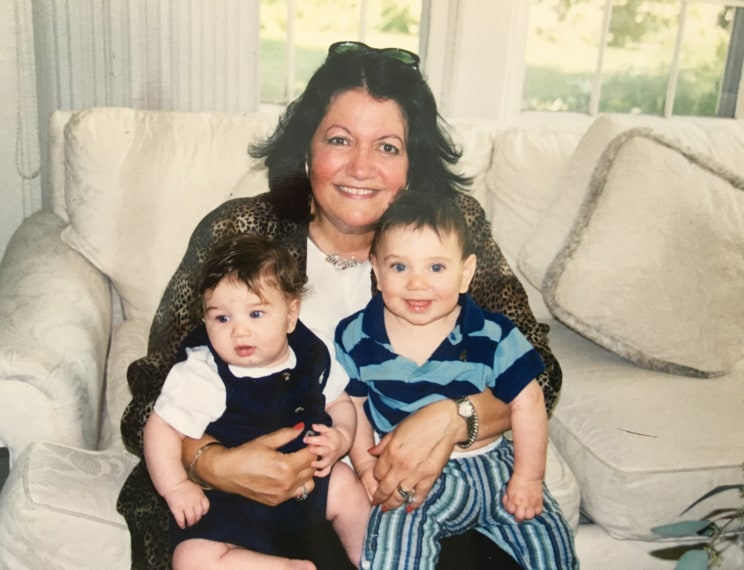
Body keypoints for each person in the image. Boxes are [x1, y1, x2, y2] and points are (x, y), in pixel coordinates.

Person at [118, 40, 563, 569]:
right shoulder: (238, 232)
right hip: (236, 505)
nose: (361, 167)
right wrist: (213, 464)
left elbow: (542, 371)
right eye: (339, 139)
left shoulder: (448, 230)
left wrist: (454, 417)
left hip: (420, 492)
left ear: (413, 163)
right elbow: (150, 394)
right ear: (307, 149)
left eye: (388, 147)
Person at [335, 191, 578, 570]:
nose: (417, 284)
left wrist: (529, 478)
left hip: (495, 466)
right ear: (376, 270)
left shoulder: (493, 332)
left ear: (465, 273)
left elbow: (528, 401)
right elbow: (355, 406)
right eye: (399, 267)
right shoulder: (356, 336)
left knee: (549, 542)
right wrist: (366, 469)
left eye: (436, 268)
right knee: (395, 546)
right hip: (416, 476)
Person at [143, 233, 369, 569]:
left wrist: (341, 438)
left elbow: (340, 402)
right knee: (191, 559)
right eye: (222, 318)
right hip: (228, 501)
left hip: (306, 484)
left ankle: (373, 558)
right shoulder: (202, 372)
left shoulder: (312, 354)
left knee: (346, 487)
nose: (239, 332)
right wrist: (176, 487)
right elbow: (160, 427)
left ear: (291, 314)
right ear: (205, 319)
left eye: (256, 314)